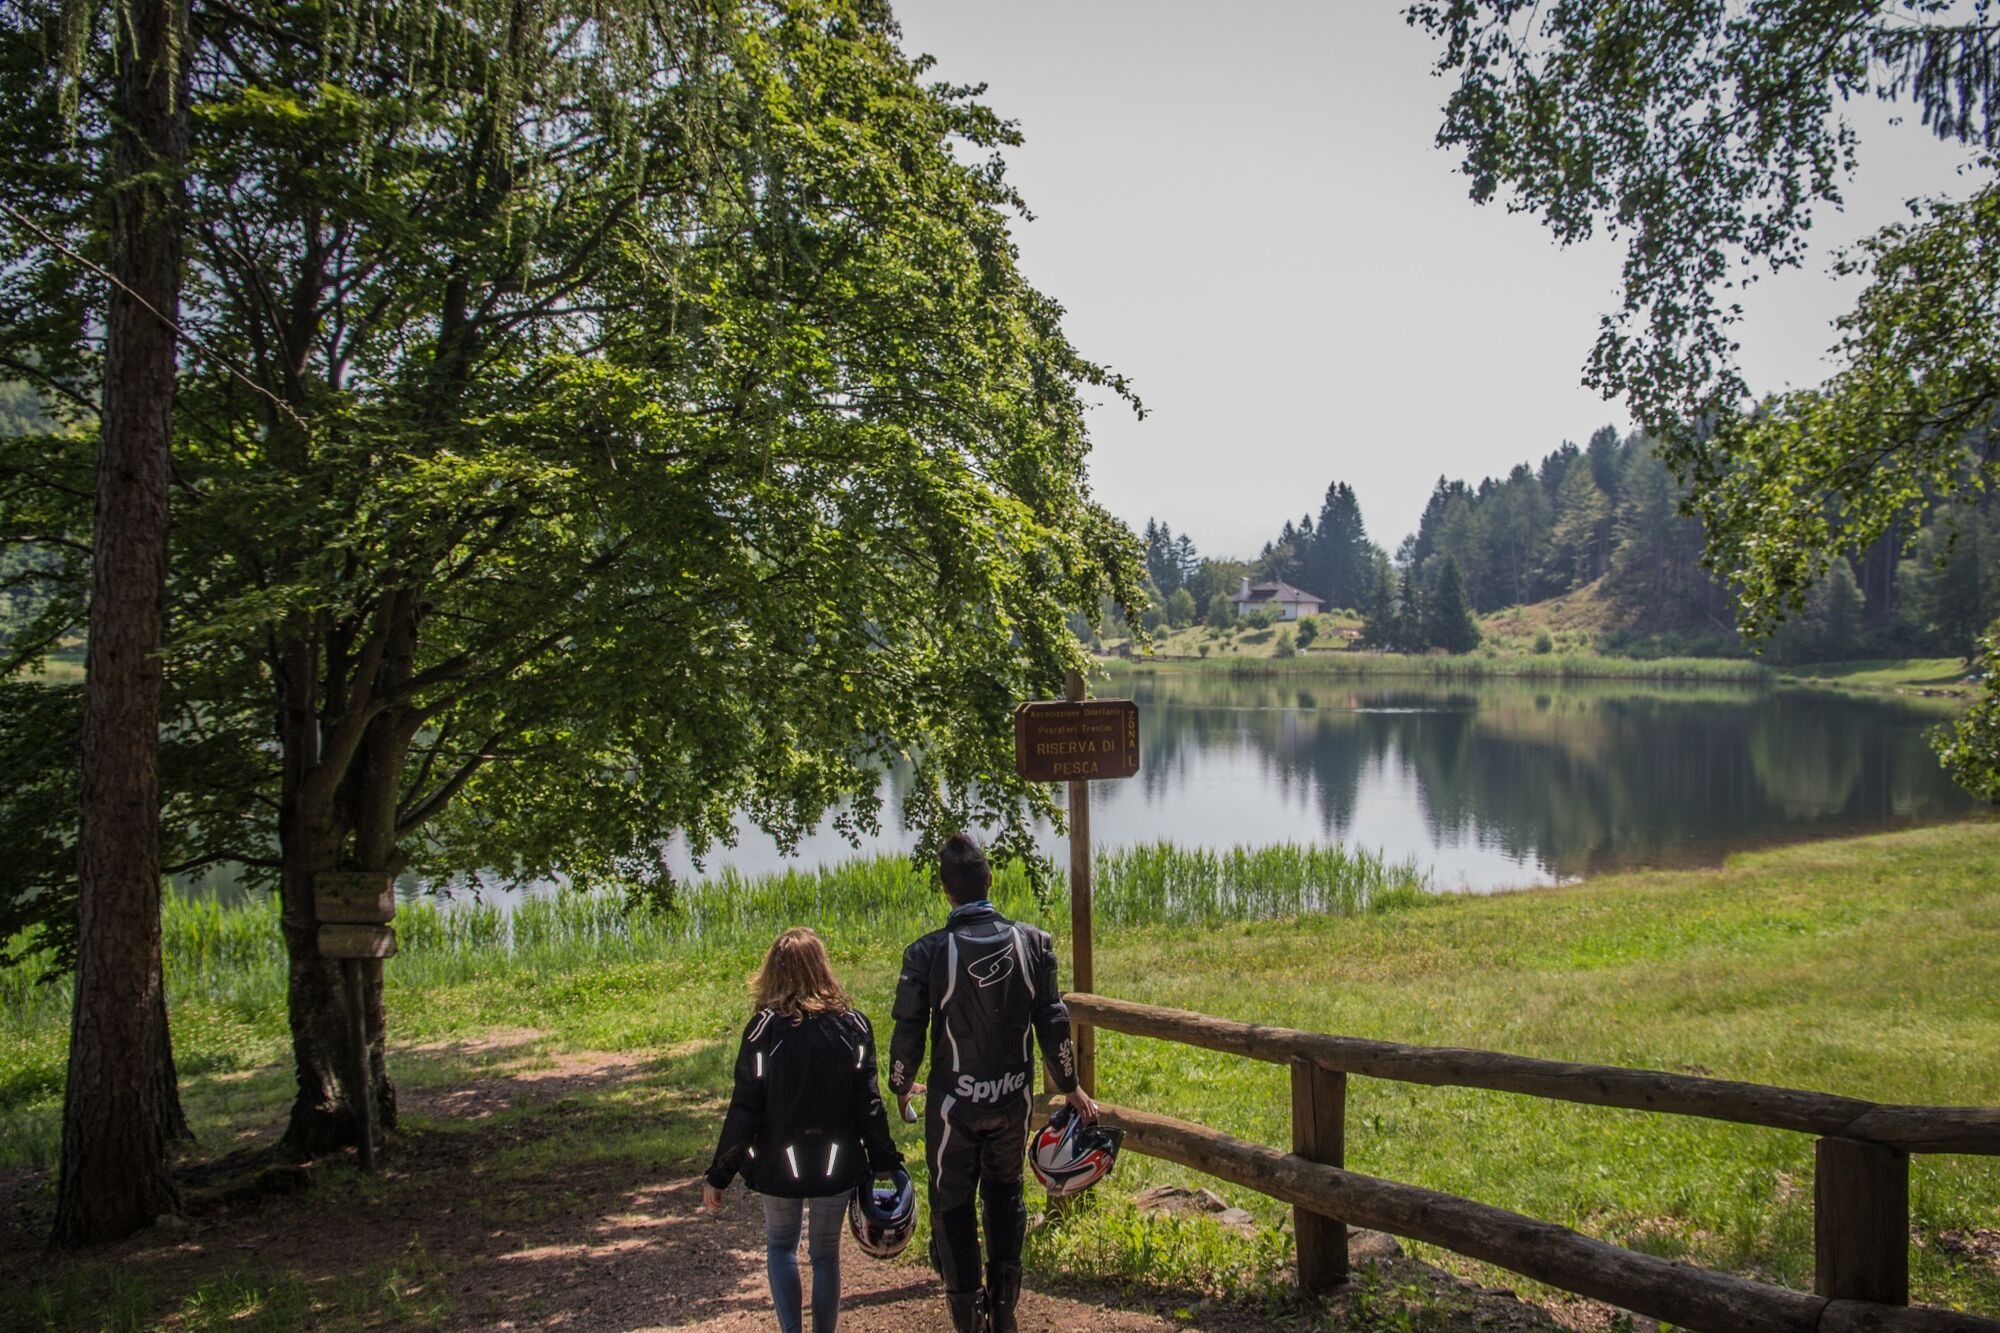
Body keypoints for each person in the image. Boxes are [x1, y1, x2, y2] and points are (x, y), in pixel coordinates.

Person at [888, 832, 1099, 1333]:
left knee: (952, 1204)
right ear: (990, 880)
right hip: (1010, 1101)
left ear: (945, 891)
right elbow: (1053, 1021)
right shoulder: (1034, 943)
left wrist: (900, 1083)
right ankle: (1004, 1314)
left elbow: (908, 1031)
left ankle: (969, 1320)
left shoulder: (926, 953)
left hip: (952, 1108)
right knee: (1005, 1195)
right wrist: (1070, 1084)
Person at [704, 928, 902, 1333]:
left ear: (773, 972)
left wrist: (719, 1174)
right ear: (822, 968)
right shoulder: (853, 1026)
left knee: (781, 1247)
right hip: (836, 1160)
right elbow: (869, 1103)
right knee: (826, 1254)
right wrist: (885, 1161)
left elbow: (745, 1109)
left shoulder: (762, 1030)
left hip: (777, 1162)